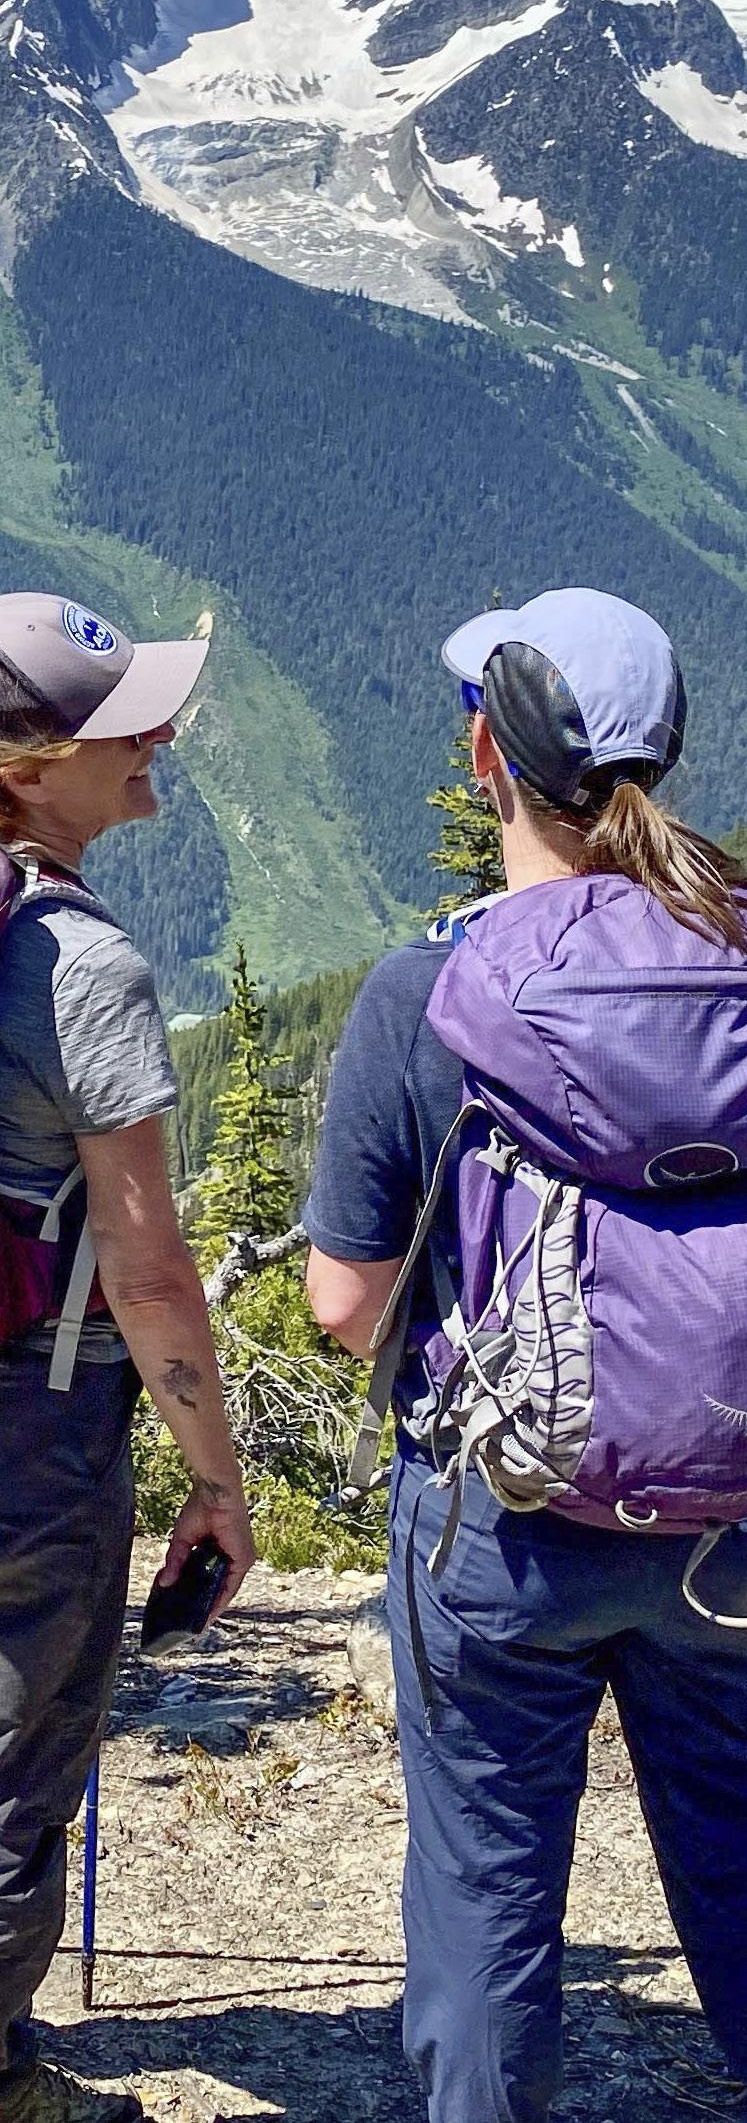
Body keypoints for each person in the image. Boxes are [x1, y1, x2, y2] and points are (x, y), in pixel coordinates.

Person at [304, 589, 747, 2123]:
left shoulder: (429, 992)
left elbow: (345, 1303)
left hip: (509, 1518)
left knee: (486, 1878)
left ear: (486, 754)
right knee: (731, 1831)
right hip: (739, 1509)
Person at [0, 596, 257, 2123]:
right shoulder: (77, 965)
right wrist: (215, 1483)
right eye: (121, 725)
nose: (158, 735)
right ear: (26, 769)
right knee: (19, 1749)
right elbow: (149, 1271)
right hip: (31, 1417)